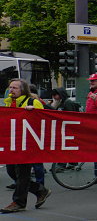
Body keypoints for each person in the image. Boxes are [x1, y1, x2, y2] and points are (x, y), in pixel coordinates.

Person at [1, 79, 51, 214]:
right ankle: (40, 190)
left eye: (15, 88)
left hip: (27, 144)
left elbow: (44, 120)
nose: (11, 90)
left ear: (23, 90)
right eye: (10, 87)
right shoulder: (7, 104)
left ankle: (19, 202)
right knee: (12, 171)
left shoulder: (32, 102)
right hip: (13, 144)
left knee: (23, 173)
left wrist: (33, 112)